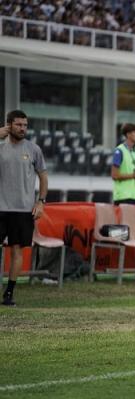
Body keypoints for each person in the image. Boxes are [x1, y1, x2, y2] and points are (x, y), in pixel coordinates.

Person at [0, 110, 48, 306]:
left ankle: (9, 293)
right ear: (9, 125)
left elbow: (43, 176)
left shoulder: (34, 149)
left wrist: (41, 201)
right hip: (0, 207)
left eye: (25, 125)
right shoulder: (1, 147)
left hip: (23, 210)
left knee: (17, 251)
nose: (22, 128)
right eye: (19, 125)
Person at [112, 123, 135, 205]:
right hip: (123, 196)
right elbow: (114, 175)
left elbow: (134, 174)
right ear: (128, 134)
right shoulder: (119, 151)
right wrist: (134, 175)